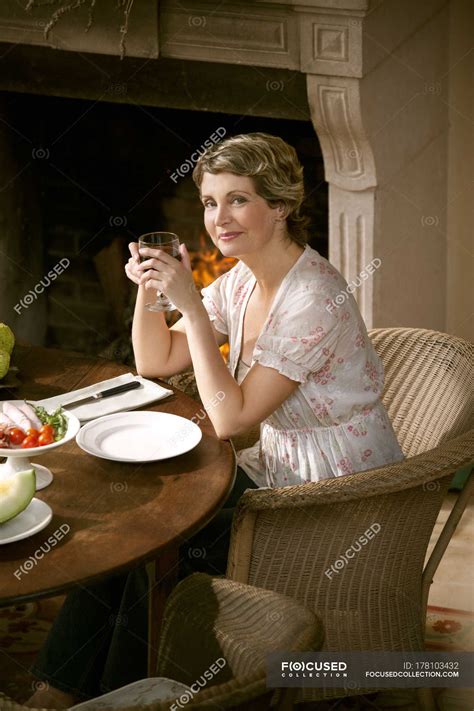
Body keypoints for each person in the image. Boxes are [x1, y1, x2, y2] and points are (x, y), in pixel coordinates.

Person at [25, 132, 404, 708]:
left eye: (238, 200)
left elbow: (231, 419)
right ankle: (67, 692)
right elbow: (157, 362)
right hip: (272, 465)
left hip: (330, 496)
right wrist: (152, 292)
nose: (218, 219)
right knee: (138, 527)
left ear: (279, 207)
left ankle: (119, 697)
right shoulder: (246, 276)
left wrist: (194, 307)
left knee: (150, 537)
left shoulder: (312, 298)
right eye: (208, 202)